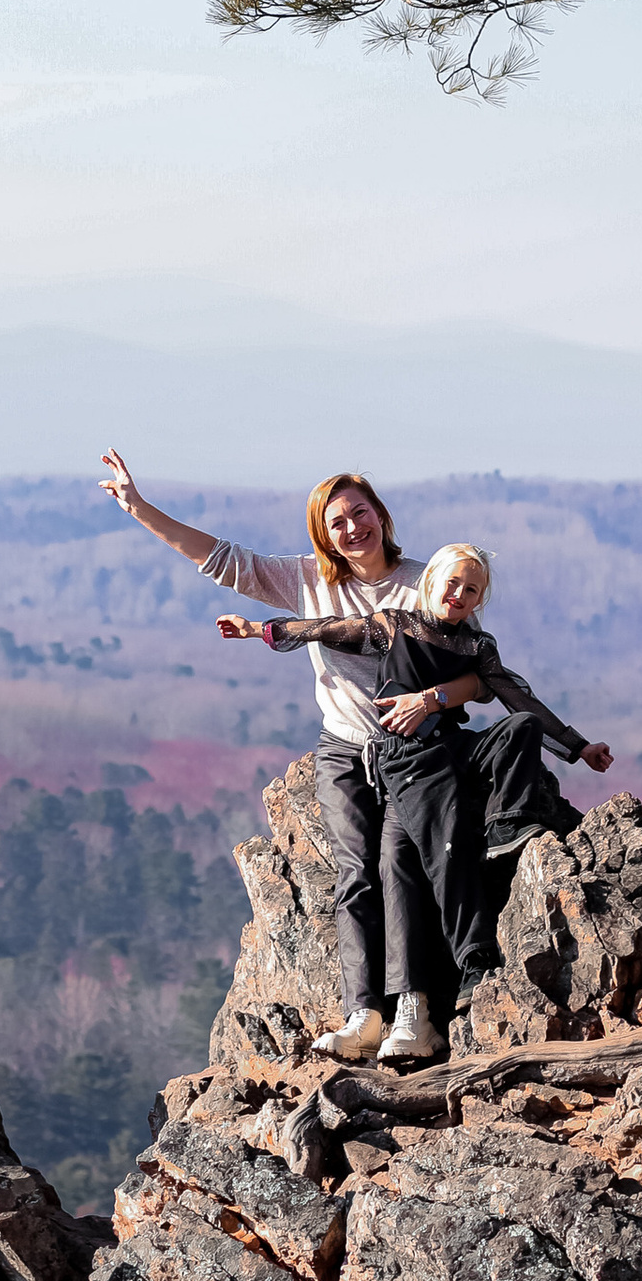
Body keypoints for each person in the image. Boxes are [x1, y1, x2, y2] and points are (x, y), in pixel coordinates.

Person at [99, 448, 468, 1060]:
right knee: (353, 877)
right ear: (323, 536)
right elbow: (220, 560)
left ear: (381, 513)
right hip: (343, 751)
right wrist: (140, 508)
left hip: (415, 754)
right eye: (336, 522)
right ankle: (363, 1014)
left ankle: (415, 1012)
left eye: (360, 512)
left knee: (400, 872)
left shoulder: (426, 583)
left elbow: (479, 675)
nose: (353, 528)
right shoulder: (310, 580)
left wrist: (429, 700)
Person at [218, 540, 610, 1034]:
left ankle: (507, 826)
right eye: (452, 583)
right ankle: (472, 963)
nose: (460, 595)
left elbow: (516, 695)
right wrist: (260, 630)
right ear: (430, 583)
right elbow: (325, 628)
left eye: (472, 590)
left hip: (453, 744)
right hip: (408, 759)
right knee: (443, 850)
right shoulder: (396, 626)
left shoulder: (477, 646)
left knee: (522, 726)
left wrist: (579, 747)